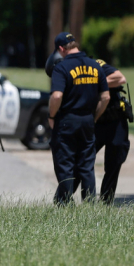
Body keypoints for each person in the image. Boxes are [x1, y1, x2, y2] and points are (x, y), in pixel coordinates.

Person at [48, 32, 109, 205]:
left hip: (67, 121)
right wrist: (94, 117)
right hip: (87, 121)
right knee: (87, 166)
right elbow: (105, 97)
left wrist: (51, 116)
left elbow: (57, 96)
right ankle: (89, 206)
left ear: (61, 48)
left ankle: (64, 206)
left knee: (65, 166)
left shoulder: (61, 67)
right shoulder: (95, 66)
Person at [67, 60, 129, 204]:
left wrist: (93, 82)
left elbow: (120, 78)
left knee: (114, 162)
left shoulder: (96, 65)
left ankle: (106, 204)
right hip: (94, 123)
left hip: (115, 121)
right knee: (80, 161)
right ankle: (63, 200)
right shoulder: (67, 74)